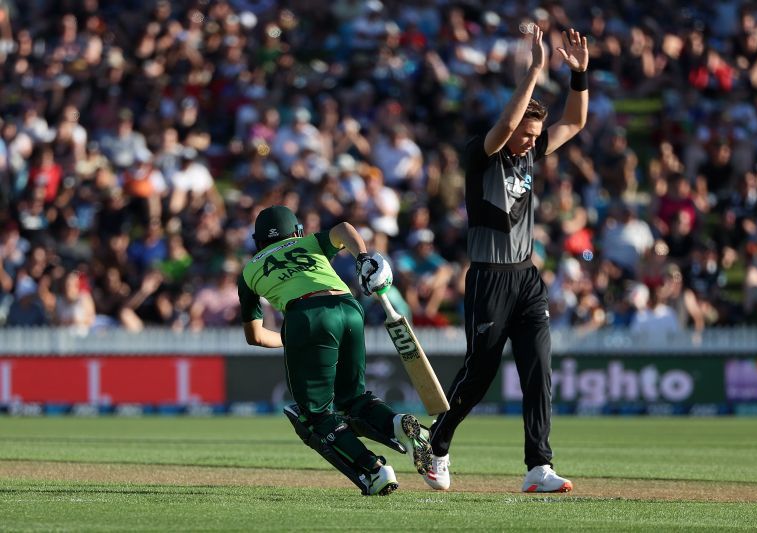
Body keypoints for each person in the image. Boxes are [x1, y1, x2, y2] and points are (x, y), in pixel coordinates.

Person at [424, 24, 589, 493]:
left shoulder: (529, 154)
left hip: (526, 279)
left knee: (539, 369)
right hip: (488, 278)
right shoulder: (483, 153)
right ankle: (436, 446)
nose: (529, 142)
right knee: (479, 372)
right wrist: (536, 70)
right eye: (525, 134)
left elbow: (575, 123)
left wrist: (579, 75)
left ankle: (539, 467)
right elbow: (503, 130)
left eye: (534, 136)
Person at [237, 205, 432, 496]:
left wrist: (293, 338)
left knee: (312, 416)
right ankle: (397, 425)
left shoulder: (249, 270)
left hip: (305, 314)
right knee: (354, 399)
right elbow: (344, 229)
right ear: (297, 231)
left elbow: (255, 335)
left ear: (258, 241)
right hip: (348, 307)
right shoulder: (308, 241)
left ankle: (374, 470)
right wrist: (363, 257)